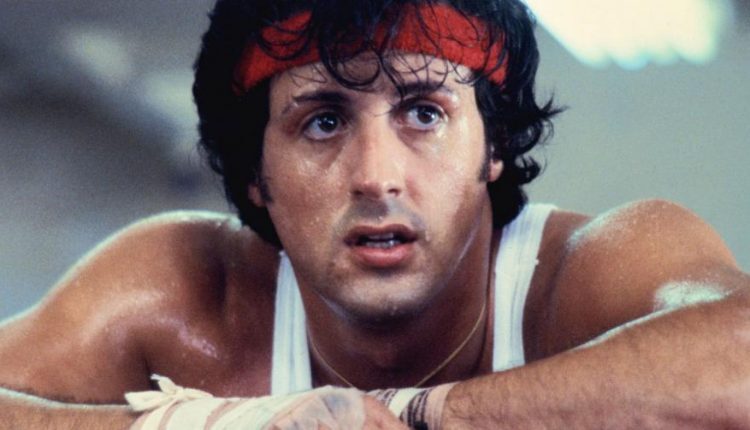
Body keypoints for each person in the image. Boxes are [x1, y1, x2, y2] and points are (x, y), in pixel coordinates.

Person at [1, 0, 749, 428]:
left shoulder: (581, 273)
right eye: (323, 122)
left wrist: (414, 413)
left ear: (492, 145)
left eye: (424, 113)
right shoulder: (188, 294)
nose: (376, 176)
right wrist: (218, 424)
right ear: (256, 173)